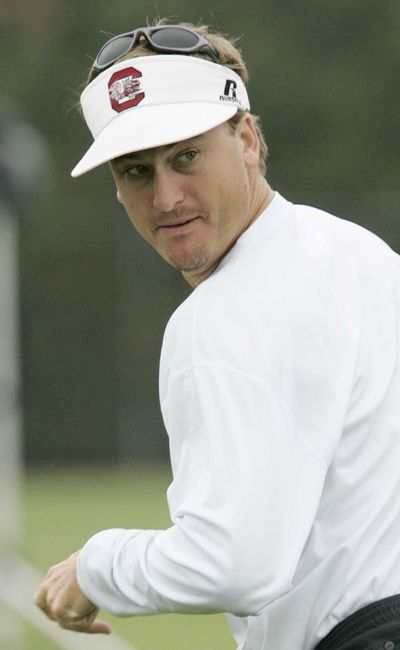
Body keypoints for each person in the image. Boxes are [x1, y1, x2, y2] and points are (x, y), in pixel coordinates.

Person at [34, 21, 400, 650]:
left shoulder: (223, 315)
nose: (167, 196)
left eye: (185, 155)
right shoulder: (359, 252)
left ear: (248, 138)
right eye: (136, 171)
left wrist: (98, 565)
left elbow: (235, 562)